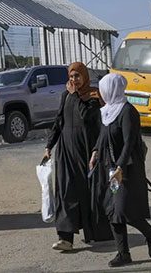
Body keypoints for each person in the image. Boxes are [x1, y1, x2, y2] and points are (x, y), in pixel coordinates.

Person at [89, 73, 151, 267]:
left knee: (123, 209)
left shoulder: (128, 111)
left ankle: (150, 233)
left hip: (125, 169)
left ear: (112, 89)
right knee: (114, 210)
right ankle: (124, 254)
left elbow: (129, 142)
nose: (102, 93)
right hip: (110, 169)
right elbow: (103, 137)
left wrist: (120, 166)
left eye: (104, 89)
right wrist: (95, 152)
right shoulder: (106, 112)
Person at [43, 62, 111, 251]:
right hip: (65, 152)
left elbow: (85, 116)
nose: (74, 80)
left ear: (85, 76)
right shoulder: (66, 95)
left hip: (86, 151)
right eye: (71, 77)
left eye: (78, 76)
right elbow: (59, 121)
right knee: (65, 192)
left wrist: (76, 95)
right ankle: (65, 237)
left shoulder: (94, 97)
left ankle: (96, 232)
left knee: (89, 192)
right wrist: (49, 145)